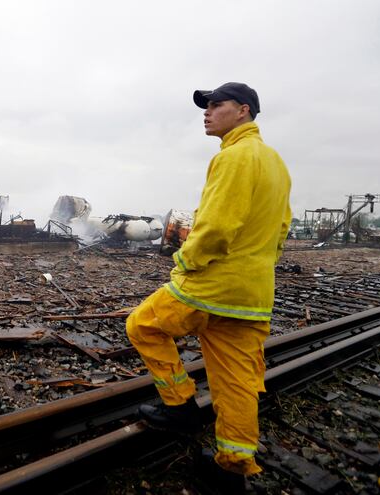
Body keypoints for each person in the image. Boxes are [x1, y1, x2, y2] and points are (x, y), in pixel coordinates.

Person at [126, 82, 291, 491]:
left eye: (217, 105)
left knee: (143, 325)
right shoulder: (275, 163)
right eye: (207, 105)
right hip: (251, 295)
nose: (207, 111)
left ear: (244, 111)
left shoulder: (235, 157)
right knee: (236, 381)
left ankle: (180, 406)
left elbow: (215, 227)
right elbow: (281, 228)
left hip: (210, 287)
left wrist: (185, 260)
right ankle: (232, 467)